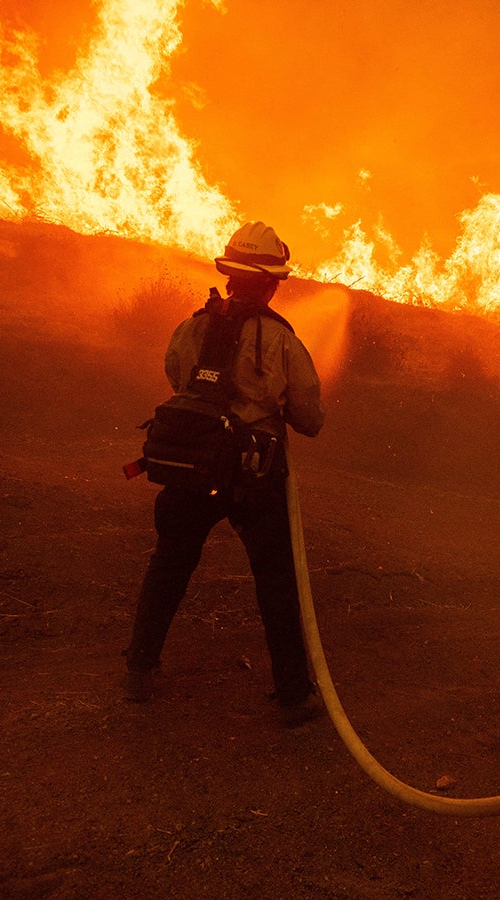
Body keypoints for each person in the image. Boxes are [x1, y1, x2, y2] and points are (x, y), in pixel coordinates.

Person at [124, 221, 326, 726]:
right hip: (252, 476)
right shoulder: (280, 340)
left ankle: (139, 673)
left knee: (169, 563)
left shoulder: (192, 326)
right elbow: (310, 419)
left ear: (230, 275)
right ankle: (294, 697)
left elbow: (176, 374)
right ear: (273, 281)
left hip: (193, 468)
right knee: (276, 580)